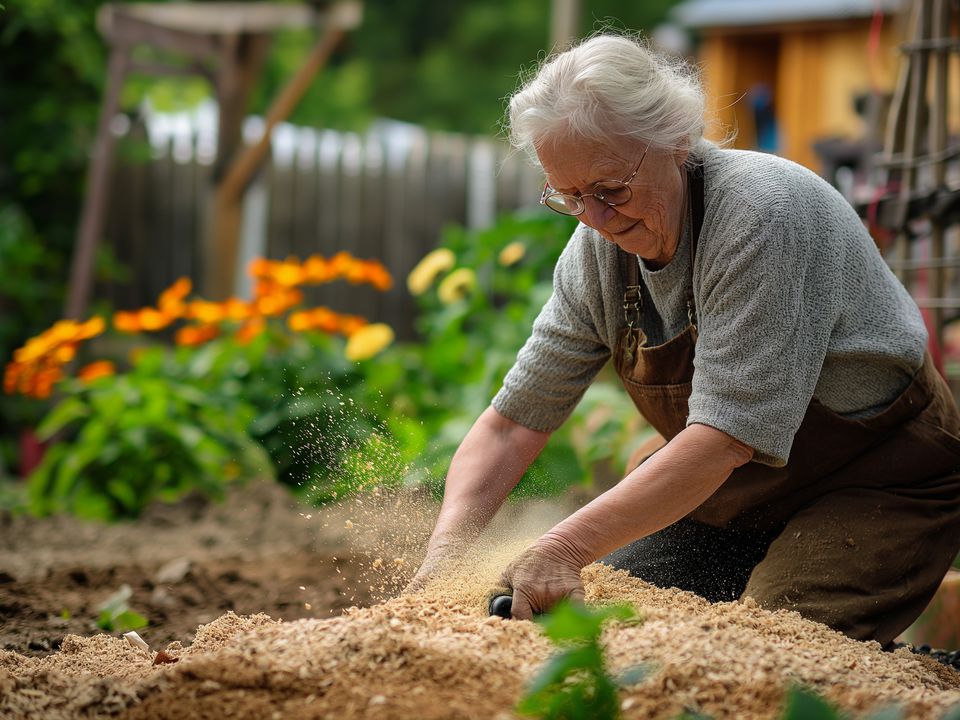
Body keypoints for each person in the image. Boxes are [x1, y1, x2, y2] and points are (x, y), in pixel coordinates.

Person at [407, 33, 960, 647]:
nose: (595, 218)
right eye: (570, 197)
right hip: (729, 496)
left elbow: (725, 439)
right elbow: (512, 424)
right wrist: (444, 562)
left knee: (767, 653)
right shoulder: (596, 252)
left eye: (610, 190)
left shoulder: (760, 215)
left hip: (874, 478)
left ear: (675, 141)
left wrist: (563, 544)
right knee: (594, 633)